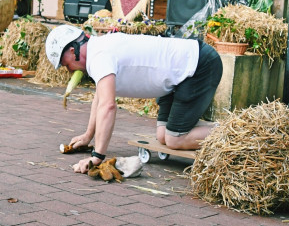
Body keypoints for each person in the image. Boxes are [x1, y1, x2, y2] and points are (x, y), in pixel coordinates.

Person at [46, 25, 223, 174]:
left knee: (174, 140)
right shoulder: (97, 50)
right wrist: (87, 136)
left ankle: (233, 132)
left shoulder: (98, 56)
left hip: (198, 65)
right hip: (177, 73)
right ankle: (207, 129)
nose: (68, 70)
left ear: (72, 50)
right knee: (163, 136)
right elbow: (99, 99)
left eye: (65, 64)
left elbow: (108, 106)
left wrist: (97, 156)